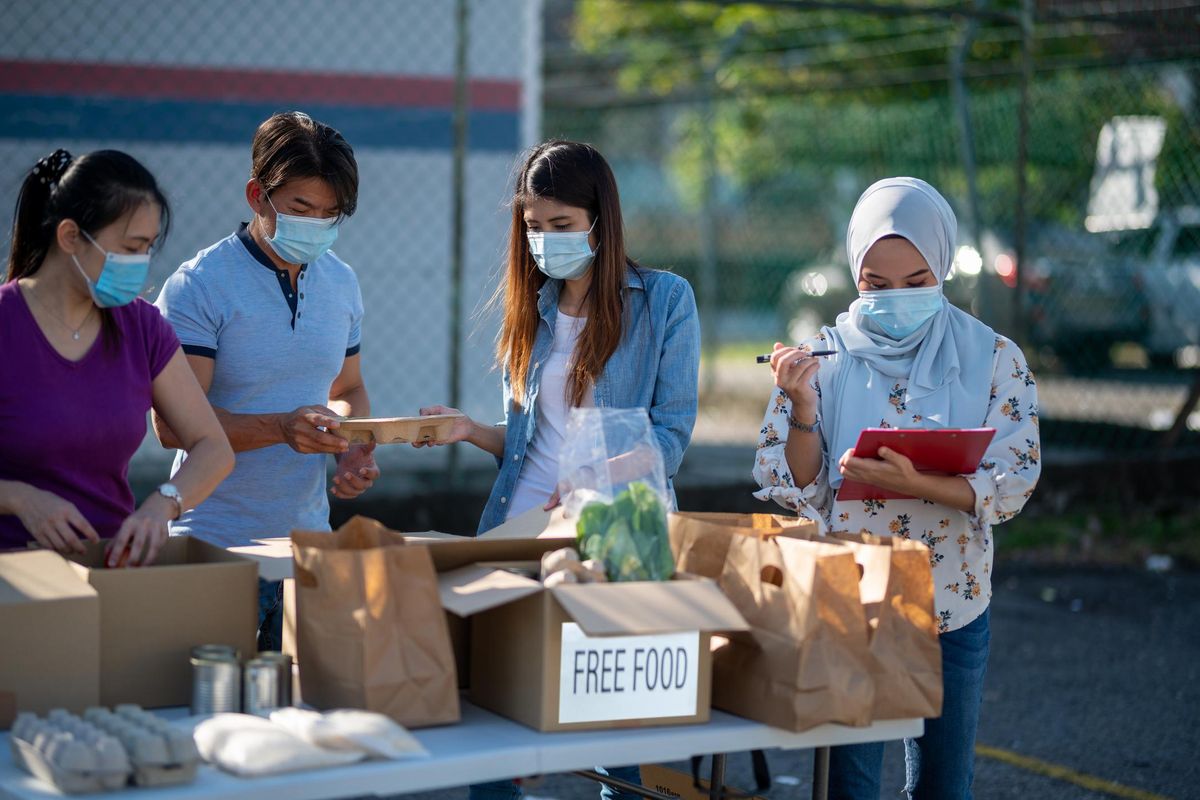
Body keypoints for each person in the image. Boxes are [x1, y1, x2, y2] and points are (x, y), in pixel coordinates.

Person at [417, 139, 701, 800]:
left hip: (611, 545)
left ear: (601, 220)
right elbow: (530, 446)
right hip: (518, 535)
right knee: (495, 724)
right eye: (535, 228)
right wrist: (471, 431)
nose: (545, 241)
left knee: (619, 736)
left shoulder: (664, 301)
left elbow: (671, 434)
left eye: (562, 226)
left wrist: (589, 475)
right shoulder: (534, 309)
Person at [754, 178, 1041, 800]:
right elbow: (796, 484)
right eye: (874, 286)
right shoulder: (824, 356)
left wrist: (922, 484)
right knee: (849, 785)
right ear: (853, 272)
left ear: (941, 267)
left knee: (944, 786)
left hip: (953, 598)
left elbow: (1014, 475)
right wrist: (802, 405)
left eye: (916, 283)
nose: (895, 299)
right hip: (850, 596)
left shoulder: (992, 356)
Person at [153, 112, 378, 649]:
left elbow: (347, 391)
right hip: (212, 549)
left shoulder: (342, 283)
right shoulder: (199, 285)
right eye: (301, 209)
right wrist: (282, 428)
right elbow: (172, 426)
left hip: (307, 552)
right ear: (258, 196)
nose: (316, 225)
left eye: (331, 215)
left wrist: (349, 443)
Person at [0, 149, 233, 566]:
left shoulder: (143, 328)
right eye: (130, 247)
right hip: (15, 583)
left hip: (110, 572)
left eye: (147, 248)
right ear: (70, 236)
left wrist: (164, 504)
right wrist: (20, 498)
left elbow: (213, 447)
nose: (140, 263)